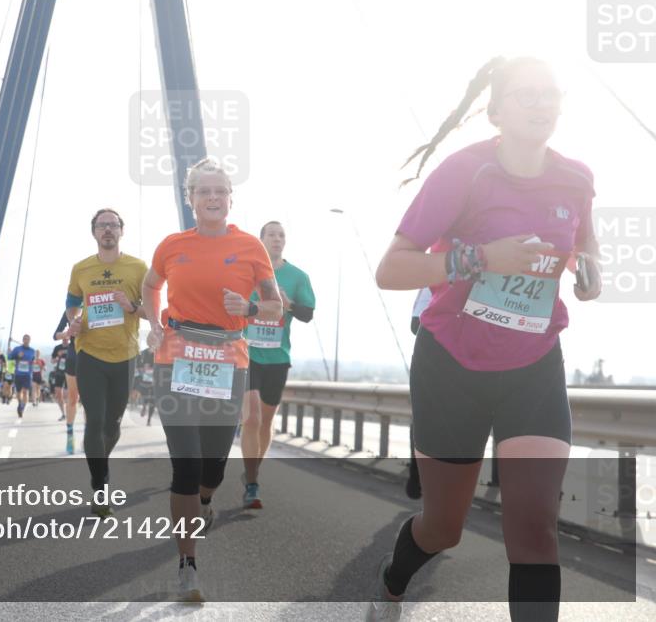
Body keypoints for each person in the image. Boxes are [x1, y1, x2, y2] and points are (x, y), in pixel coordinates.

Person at [367, 57, 602, 622]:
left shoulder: (576, 177)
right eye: (527, 95)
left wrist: (589, 274)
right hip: (452, 367)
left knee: (535, 529)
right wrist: (482, 258)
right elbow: (391, 270)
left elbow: (588, 248)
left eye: (550, 94)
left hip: (534, 366)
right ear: (496, 110)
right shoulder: (465, 171)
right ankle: (394, 576)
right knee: (443, 528)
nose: (541, 104)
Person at [142, 158, 282, 602]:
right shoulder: (171, 245)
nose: (213, 198)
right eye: (204, 191)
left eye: (220, 190)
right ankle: (188, 565)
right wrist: (153, 323)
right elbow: (150, 287)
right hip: (177, 358)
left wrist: (252, 309)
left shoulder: (250, 248)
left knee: (214, 468)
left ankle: (205, 499)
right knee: (185, 465)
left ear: (230, 198)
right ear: (191, 199)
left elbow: (276, 306)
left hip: (228, 361)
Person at [65, 208, 148, 516]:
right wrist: (74, 321)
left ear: (121, 231)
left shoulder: (138, 268)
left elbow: (152, 312)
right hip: (89, 353)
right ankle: (100, 488)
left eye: (113, 225)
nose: (108, 230)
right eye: (102, 226)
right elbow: (72, 303)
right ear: (94, 232)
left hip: (125, 355)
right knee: (95, 421)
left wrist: (131, 306)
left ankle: (100, 460)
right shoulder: (81, 269)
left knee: (112, 425)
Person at [240, 221, 315, 509]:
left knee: (267, 422)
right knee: (252, 418)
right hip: (248, 355)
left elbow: (308, 314)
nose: (277, 238)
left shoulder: (297, 276)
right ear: (260, 240)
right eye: (271, 234)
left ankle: (252, 472)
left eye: (281, 234)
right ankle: (251, 482)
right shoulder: (246, 273)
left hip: (278, 358)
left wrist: (289, 304)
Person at [405, 288, 433, 500]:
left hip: (479, 363)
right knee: (423, 421)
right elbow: (416, 324)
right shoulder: (434, 279)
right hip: (436, 362)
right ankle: (417, 476)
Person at [53, 320, 80, 453]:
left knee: (89, 400)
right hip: (74, 356)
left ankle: (89, 436)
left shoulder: (98, 299)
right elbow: (55, 335)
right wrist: (67, 333)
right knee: (73, 398)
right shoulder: (72, 308)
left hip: (94, 354)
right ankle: (70, 435)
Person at [9, 334, 36, 418]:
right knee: (18, 392)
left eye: (27, 339)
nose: (26, 340)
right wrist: (17, 356)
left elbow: (33, 360)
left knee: (25, 391)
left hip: (27, 375)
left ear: (29, 340)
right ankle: (20, 404)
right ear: (22, 340)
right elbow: (9, 357)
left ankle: (22, 408)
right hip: (18, 374)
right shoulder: (17, 349)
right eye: (24, 338)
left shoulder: (32, 351)